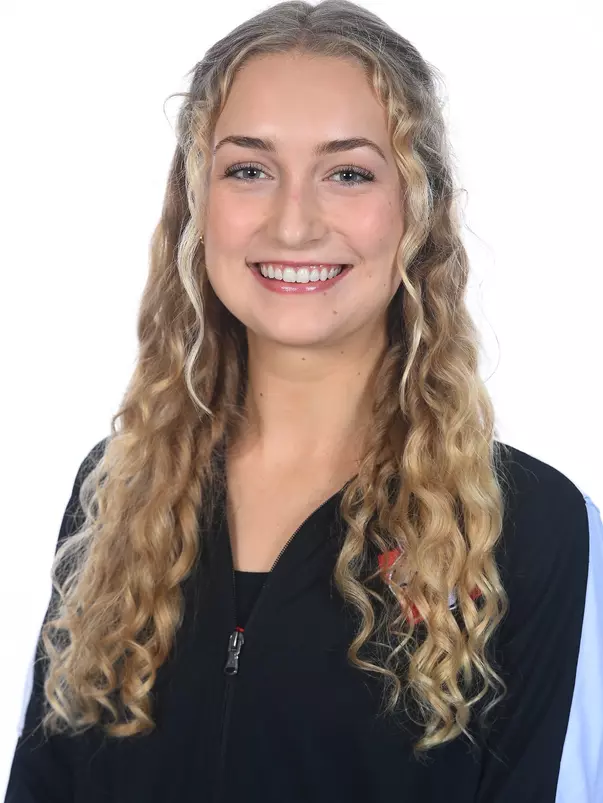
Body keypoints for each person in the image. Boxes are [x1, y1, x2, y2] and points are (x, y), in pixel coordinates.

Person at [5, 1, 602, 801]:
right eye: (248, 169)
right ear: (197, 205)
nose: (292, 222)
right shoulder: (118, 493)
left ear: (418, 211)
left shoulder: (527, 526)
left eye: (347, 172)